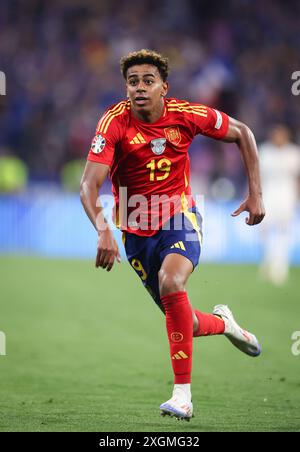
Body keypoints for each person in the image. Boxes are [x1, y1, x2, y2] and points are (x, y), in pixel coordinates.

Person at [80, 49, 265, 421]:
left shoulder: (187, 114)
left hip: (179, 216)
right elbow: (88, 184)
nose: (140, 88)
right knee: (185, 320)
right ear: (126, 88)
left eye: (148, 81)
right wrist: (103, 229)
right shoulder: (113, 122)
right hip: (134, 229)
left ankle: (182, 396)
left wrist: (256, 193)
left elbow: (242, 132)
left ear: (164, 86)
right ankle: (226, 324)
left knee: (171, 281)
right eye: (132, 82)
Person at [259, 125, 300, 285]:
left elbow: (297, 179)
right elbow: (258, 176)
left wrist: (296, 198)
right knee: (264, 230)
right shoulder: (265, 151)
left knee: (283, 230)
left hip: (286, 195)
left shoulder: (294, 153)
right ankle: (268, 259)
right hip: (268, 194)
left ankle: (280, 266)